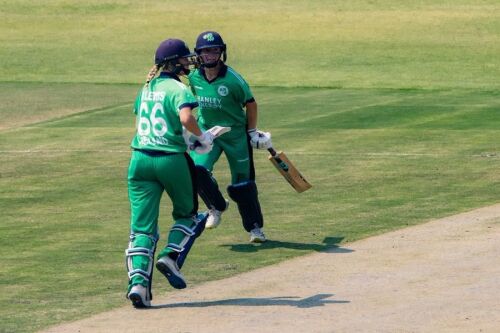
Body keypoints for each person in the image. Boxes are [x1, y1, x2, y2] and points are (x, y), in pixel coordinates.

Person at [125, 38, 215, 308]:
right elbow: (186, 119)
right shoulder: (178, 88)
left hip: (139, 159)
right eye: (184, 58)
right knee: (189, 214)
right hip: (170, 161)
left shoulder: (146, 86)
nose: (188, 62)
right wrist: (203, 137)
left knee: (141, 228)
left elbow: (144, 119)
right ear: (174, 62)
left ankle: (138, 284)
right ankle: (171, 256)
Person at [188, 31, 272, 243]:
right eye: (206, 51)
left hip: (235, 136)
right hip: (208, 133)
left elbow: (251, 104)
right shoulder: (193, 77)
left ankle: (255, 228)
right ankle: (215, 206)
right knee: (196, 170)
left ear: (221, 52)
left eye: (214, 50)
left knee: (242, 183)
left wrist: (252, 132)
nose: (210, 55)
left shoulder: (234, 80)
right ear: (199, 54)